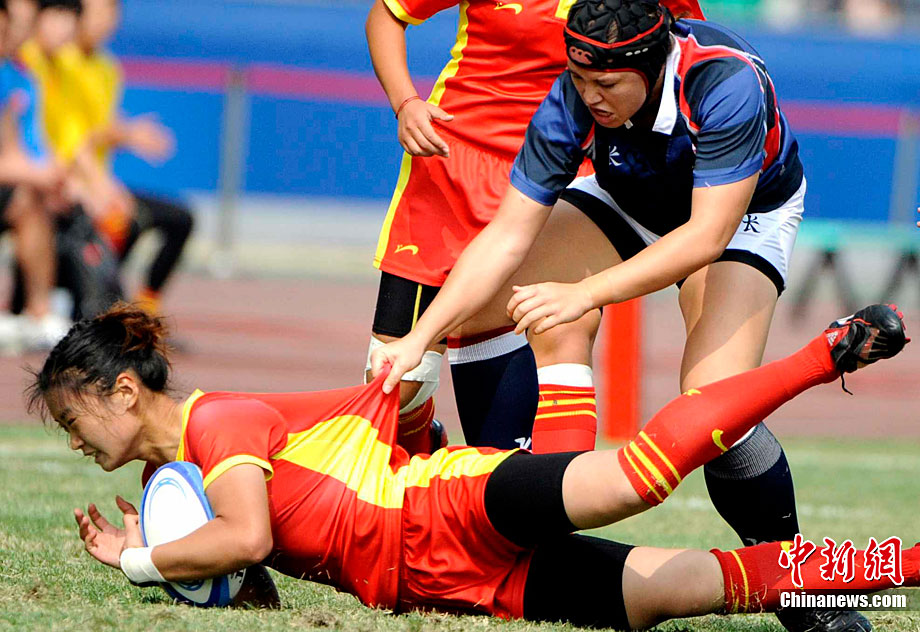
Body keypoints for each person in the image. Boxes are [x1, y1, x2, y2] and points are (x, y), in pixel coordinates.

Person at [29, 302, 910, 628]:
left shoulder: (218, 422)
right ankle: (907, 564)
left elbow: (248, 535)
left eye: (72, 418)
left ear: (123, 391)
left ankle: (824, 354)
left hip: (449, 506)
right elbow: (253, 575)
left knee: (632, 478)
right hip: (444, 581)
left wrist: (143, 560)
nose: (73, 440)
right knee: (685, 589)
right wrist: (184, 566)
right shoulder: (176, 483)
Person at [365, 0, 704, 456]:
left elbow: (685, 59)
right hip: (448, 167)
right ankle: (424, 443)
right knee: (398, 383)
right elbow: (387, 15)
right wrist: (405, 103)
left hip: (559, 175)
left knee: (560, 325)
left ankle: (546, 485)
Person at [21, 0, 193, 318]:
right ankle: (81, 305)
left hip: (82, 176)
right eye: (95, 12)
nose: (102, 22)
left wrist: (126, 138)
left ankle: (135, 305)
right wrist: (101, 176)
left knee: (175, 219)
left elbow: (93, 132)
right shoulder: (49, 61)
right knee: (114, 222)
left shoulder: (106, 68)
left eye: (110, 14)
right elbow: (74, 140)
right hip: (58, 176)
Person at [0, 0, 70, 352]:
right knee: (28, 196)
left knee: (32, 200)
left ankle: (39, 313)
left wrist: (49, 176)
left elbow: (14, 148)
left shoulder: (17, 75)